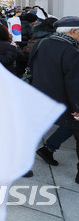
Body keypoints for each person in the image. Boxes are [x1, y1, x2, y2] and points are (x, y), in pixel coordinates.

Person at [31, 17, 79, 183]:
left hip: (39, 95)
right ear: (72, 31)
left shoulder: (41, 43)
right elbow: (74, 84)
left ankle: (45, 150)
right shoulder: (71, 51)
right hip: (61, 98)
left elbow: (31, 68)